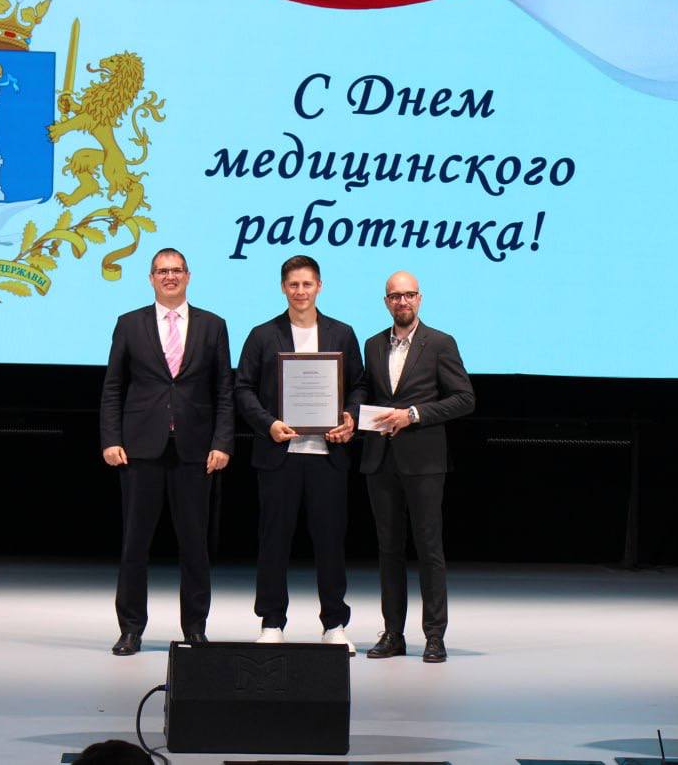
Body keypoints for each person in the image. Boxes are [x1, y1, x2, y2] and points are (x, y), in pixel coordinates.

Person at [99, 248, 234, 656]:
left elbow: (224, 391)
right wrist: (110, 439)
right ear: (151, 278)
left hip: (195, 450)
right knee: (134, 544)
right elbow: (113, 386)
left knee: (195, 545)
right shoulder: (129, 323)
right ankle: (130, 629)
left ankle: (195, 628)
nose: (169, 277)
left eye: (176, 270)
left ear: (188, 276)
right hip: (140, 448)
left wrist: (222, 442)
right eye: (162, 271)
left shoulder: (213, 325)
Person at [235, 254, 366, 653]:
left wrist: (350, 416)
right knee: (274, 541)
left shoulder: (342, 333)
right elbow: (242, 388)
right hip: (280, 454)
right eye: (293, 284)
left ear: (319, 286)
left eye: (307, 284)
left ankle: (334, 624)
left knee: (330, 542)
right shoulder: (262, 335)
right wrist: (268, 424)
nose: (300, 291)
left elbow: (359, 385)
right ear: (283, 288)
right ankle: (272, 622)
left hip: (328, 454)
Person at [360, 271, 474, 663]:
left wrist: (413, 414)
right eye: (395, 296)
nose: (402, 301)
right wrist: (351, 412)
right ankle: (393, 634)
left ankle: (434, 636)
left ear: (420, 298)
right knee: (388, 550)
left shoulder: (440, 343)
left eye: (409, 295)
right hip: (380, 459)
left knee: (429, 549)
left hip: (424, 460)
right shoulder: (373, 344)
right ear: (386, 301)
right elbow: (367, 391)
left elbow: (464, 398)